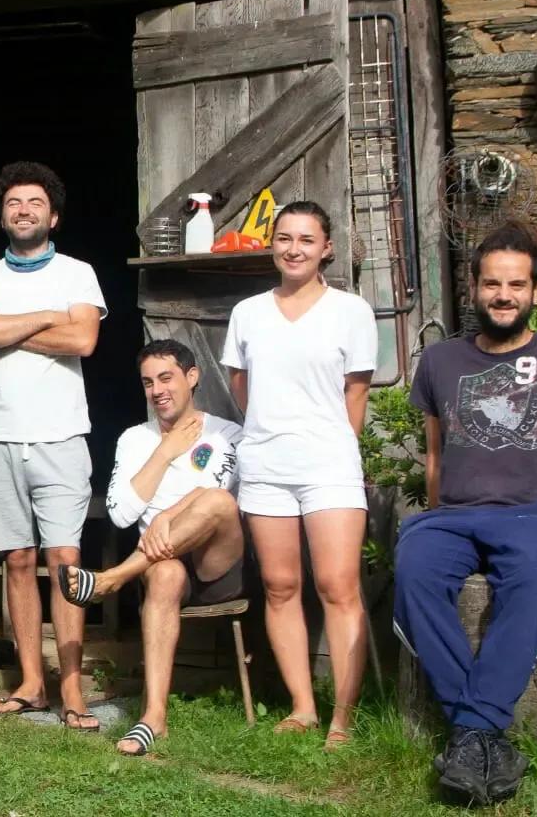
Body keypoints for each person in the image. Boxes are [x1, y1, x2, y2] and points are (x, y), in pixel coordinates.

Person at [393, 221, 537, 806]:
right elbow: (433, 456)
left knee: (536, 581)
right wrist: (435, 515)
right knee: (414, 569)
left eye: (517, 285)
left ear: (536, 290)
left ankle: (469, 733)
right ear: (474, 286)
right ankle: (484, 736)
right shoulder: (440, 361)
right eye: (492, 284)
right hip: (453, 514)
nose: (504, 295)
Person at [221, 200, 377, 750]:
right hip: (266, 465)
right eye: (284, 238)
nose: (293, 248)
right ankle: (303, 707)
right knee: (280, 586)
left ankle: (343, 716)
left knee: (337, 585)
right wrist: (271, 431)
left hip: (329, 464)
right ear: (273, 245)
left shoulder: (351, 311)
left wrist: (330, 443)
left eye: (306, 240)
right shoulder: (248, 313)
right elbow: (243, 388)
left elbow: (354, 393)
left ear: (326, 248)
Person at [0, 161, 106, 730]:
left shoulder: (79, 272)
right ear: (2, 215)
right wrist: (50, 318)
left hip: (62, 434)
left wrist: (15, 325)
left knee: (64, 559)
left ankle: (72, 688)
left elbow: (85, 338)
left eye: (35, 202)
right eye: (14, 203)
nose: (24, 210)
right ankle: (31, 683)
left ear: (54, 216)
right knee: (17, 561)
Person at [58, 339, 243, 755]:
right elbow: (121, 513)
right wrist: (165, 451)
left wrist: (164, 516)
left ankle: (110, 580)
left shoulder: (226, 432)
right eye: (147, 382)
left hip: (216, 565)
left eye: (166, 378)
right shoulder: (134, 439)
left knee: (216, 503)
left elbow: (218, 494)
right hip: (161, 564)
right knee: (165, 572)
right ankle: (153, 717)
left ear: (191, 377)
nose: (157, 390)